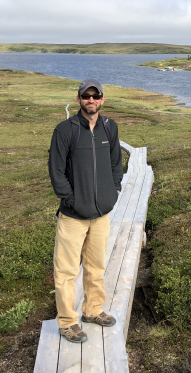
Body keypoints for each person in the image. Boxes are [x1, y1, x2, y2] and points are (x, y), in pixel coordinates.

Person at [47, 79, 123, 343]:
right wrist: (70, 199)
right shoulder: (65, 130)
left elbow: (116, 163)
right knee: (66, 271)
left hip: (101, 214)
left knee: (96, 266)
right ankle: (68, 322)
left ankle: (92, 311)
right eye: (86, 96)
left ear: (102, 99)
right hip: (73, 216)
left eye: (96, 95)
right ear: (79, 99)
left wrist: (114, 190)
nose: (91, 100)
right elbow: (55, 170)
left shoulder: (109, 127)